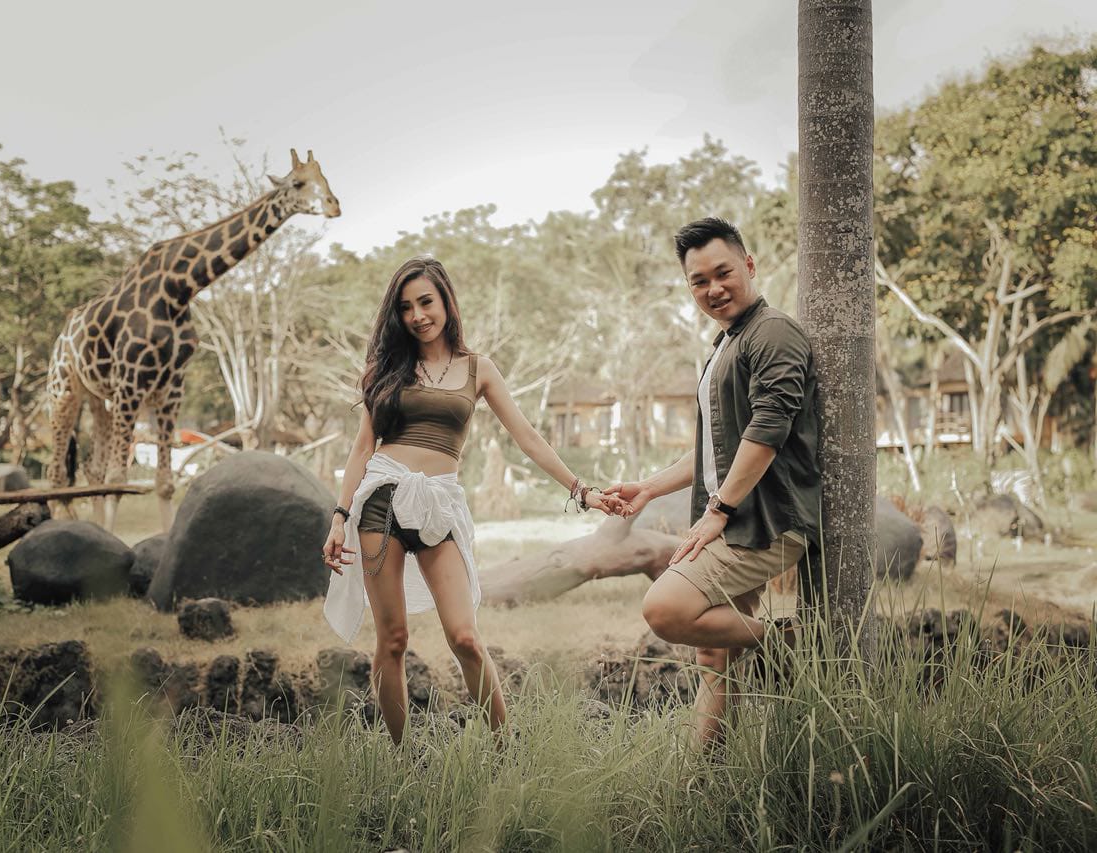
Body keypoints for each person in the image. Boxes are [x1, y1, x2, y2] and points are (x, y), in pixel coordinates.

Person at [323, 255, 626, 744]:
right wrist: (340, 517)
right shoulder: (386, 369)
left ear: (446, 301)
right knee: (393, 640)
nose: (418, 315)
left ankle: (507, 751)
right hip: (381, 503)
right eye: (406, 308)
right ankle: (401, 758)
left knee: (465, 636)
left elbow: (527, 436)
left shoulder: (478, 369)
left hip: (439, 507)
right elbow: (362, 448)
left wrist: (582, 490)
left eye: (426, 302)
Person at [606, 217, 820, 747]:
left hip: (767, 521)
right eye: (699, 281)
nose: (713, 288)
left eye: (723, 273)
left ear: (749, 264)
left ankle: (792, 642)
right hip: (739, 519)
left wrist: (718, 511)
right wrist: (650, 487)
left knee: (666, 608)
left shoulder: (772, 333)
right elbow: (716, 449)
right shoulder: (728, 343)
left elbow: (767, 432)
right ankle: (708, 775)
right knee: (714, 655)